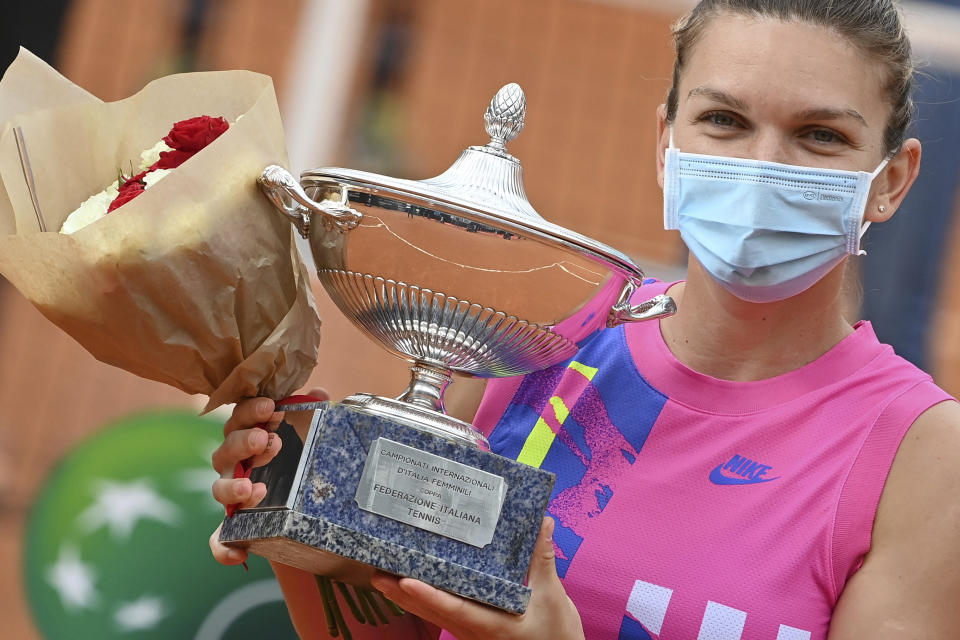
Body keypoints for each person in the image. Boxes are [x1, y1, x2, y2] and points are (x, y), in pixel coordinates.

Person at [209, 1, 960, 637]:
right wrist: (304, 522)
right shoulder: (539, 345)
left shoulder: (922, 459)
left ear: (890, 181)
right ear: (666, 143)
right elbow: (398, 626)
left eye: (821, 136)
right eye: (724, 120)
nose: (764, 164)